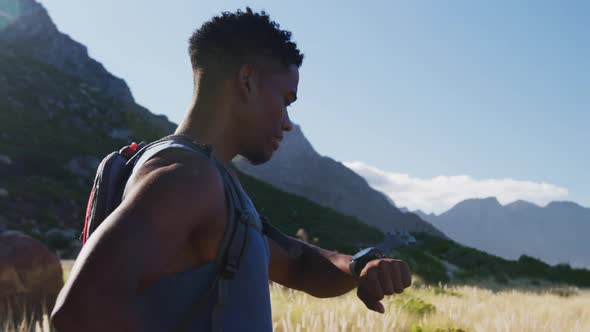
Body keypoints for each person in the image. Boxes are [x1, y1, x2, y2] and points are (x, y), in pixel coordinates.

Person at [51, 8, 412, 332]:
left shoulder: (214, 181)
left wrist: (359, 265)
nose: (287, 123)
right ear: (248, 81)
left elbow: (298, 264)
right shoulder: (184, 176)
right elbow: (79, 312)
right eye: (286, 101)